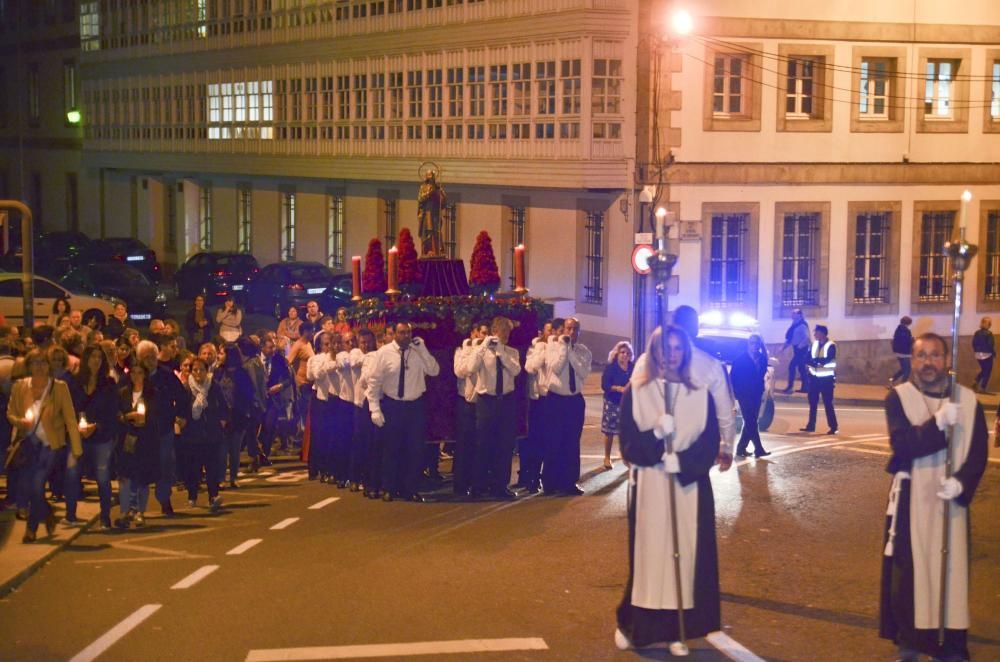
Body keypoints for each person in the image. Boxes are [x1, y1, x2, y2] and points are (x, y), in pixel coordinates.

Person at [880, 332, 988, 662]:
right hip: (914, 500)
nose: (928, 362)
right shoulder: (898, 398)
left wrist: (962, 482)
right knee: (912, 576)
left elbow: (979, 451)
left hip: (951, 503)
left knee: (951, 574)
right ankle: (912, 642)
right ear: (912, 361)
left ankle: (951, 645)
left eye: (935, 355)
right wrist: (939, 423)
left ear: (947, 360)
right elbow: (905, 446)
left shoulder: (968, 401)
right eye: (921, 356)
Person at [614, 325, 722, 654]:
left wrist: (685, 462)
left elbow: (709, 442)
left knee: (683, 558)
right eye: (666, 348)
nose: (672, 354)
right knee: (649, 559)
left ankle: (679, 631)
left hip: (687, 487)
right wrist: (657, 439)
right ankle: (635, 628)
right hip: (651, 485)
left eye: (678, 348)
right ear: (655, 351)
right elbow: (629, 443)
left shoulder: (699, 394)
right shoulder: (637, 391)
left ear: (685, 352)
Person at [7, 350, 82, 543]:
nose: (40, 367)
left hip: (51, 444)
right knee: (32, 487)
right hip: (29, 443)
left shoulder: (59, 387)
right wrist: (20, 422)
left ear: (49, 366)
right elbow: (10, 413)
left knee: (38, 483)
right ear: (29, 366)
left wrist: (76, 449)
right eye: (35, 363)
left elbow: (70, 420)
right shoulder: (20, 387)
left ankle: (30, 530)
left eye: (43, 362)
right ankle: (47, 512)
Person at [367, 322, 440, 502]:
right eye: (401, 333)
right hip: (393, 405)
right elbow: (374, 381)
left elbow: (434, 370)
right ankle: (389, 488)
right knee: (391, 449)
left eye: (408, 332)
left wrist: (422, 350)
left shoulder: (417, 351)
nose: (405, 336)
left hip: (414, 405)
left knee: (414, 449)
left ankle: (410, 489)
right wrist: (374, 408)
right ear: (395, 334)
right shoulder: (384, 353)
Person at [671, 306, 737, 468]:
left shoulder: (646, 362)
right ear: (695, 329)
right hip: (694, 453)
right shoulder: (711, 367)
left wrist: (630, 449)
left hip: (656, 453)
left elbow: (631, 404)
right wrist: (726, 448)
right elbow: (725, 413)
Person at [63, 346, 119, 530]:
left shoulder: (108, 384)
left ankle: (105, 517)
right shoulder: (74, 382)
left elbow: (112, 412)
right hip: (78, 436)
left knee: (103, 475)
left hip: (101, 436)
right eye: (92, 356)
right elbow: (67, 408)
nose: (96, 360)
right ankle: (70, 514)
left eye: (99, 357)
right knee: (72, 472)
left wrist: (97, 426)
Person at [467, 316, 521, 499]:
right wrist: (483, 347)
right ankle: (478, 486)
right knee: (483, 444)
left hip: (506, 401)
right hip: (486, 400)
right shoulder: (481, 352)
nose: (506, 335)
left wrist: (500, 352)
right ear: (494, 332)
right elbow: (470, 368)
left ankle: (500, 486)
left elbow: (515, 370)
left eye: (508, 332)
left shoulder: (511, 352)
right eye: (503, 332)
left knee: (504, 445)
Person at [139, 336, 190, 516]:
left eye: (152, 357)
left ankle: (164, 498)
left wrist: (181, 415)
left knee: (166, 464)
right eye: (145, 358)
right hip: (142, 429)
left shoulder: (166, 374)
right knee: (142, 465)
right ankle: (139, 505)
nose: (150, 361)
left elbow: (182, 396)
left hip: (163, 426)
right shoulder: (136, 377)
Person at [543, 317, 592, 496]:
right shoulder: (552, 347)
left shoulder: (583, 352)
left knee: (572, 443)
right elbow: (556, 367)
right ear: (563, 329)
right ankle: (550, 483)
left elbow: (582, 372)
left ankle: (569, 482)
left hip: (574, 401)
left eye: (576, 329)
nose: (572, 333)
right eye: (569, 329)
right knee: (553, 441)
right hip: (555, 399)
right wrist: (564, 348)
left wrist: (570, 351)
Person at [115, 361, 158, 529]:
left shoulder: (152, 393)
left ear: (145, 375)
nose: (136, 376)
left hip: (146, 439)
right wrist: (127, 417)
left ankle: (140, 511)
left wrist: (145, 419)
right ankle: (124, 512)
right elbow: (117, 413)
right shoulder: (123, 393)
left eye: (140, 372)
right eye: (133, 372)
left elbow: (156, 414)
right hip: (127, 439)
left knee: (142, 478)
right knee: (125, 476)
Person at [182, 357, 227, 511]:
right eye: (195, 370)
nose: (198, 373)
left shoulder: (213, 385)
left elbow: (223, 405)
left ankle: (213, 496)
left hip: (211, 432)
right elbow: (182, 408)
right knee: (193, 467)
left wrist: (222, 421)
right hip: (193, 433)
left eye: (201, 369)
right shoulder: (187, 387)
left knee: (211, 466)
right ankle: (192, 495)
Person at [452, 322, 487, 497]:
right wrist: (473, 351)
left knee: (480, 446)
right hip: (466, 402)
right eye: (481, 333)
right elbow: (461, 371)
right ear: (473, 333)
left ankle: (478, 484)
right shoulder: (462, 350)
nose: (483, 337)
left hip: (483, 402)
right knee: (464, 446)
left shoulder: (488, 350)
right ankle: (460, 485)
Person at [213, 343, 255, 489]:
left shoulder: (242, 373)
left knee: (235, 449)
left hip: (238, 415)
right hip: (222, 416)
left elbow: (249, 394)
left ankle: (234, 477)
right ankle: (221, 478)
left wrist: (245, 411)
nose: (219, 356)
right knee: (222, 449)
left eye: (222, 353)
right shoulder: (218, 372)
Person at [518, 320, 551, 494]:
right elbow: (531, 368)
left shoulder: (558, 350)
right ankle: (530, 477)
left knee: (548, 441)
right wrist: (543, 350)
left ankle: (546, 477)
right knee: (533, 441)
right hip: (535, 400)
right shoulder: (535, 349)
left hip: (550, 399)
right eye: (548, 330)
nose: (551, 334)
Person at [731, 334, 771, 458]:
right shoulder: (740, 360)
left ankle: (740, 448)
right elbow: (733, 378)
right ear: (748, 344)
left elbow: (762, 374)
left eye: (757, 343)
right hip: (744, 394)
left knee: (751, 421)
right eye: (752, 343)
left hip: (756, 393)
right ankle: (758, 448)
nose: (755, 346)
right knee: (750, 421)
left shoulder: (762, 358)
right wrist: (736, 393)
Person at [601, 340, 634, 471]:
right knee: (610, 431)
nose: (624, 355)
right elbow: (604, 385)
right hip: (612, 402)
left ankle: (627, 458)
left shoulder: (633, 367)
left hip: (627, 403)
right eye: (622, 352)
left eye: (627, 353)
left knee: (626, 431)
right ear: (617, 354)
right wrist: (617, 388)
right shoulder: (611, 368)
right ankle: (607, 457)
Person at [800, 324, 838, 435]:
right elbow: (806, 359)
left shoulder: (831, 345)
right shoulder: (814, 344)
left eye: (816, 332)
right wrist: (815, 362)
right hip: (814, 378)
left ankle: (833, 426)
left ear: (822, 333)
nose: (814, 334)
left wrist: (815, 361)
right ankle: (811, 425)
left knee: (828, 404)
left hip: (827, 380)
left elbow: (827, 359)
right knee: (812, 403)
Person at [780, 308, 811, 393]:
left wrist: (799, 346)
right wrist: (783, 347)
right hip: (797, 349)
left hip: (802, 350)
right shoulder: (794, 324)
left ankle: (790, 387)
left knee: (792, 366)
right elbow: (790, 338)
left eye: (794, 313)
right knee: (801, 368)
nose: (792, 315)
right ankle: (806, 387)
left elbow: (806, 338)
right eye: (792, 313)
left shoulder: (802, 325)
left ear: (799, 315)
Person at [417, 169, 446, 257]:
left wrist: (441, 195)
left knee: (436, 232)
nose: (431, 178)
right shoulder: (423, 188)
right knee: (427, 233)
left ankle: (437, 250)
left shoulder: (438, 188)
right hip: (427, 213)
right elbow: (420, 199)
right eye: (429, 176)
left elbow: (443, 203)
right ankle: (427, 250)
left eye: (432, 176)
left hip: (435, 213)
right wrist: (429, 193)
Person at [971, 316, 994, 393]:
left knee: (984, 370)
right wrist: (994, 353)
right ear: (988, 324)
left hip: (978, 354)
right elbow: (990, 345)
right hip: (987, 354)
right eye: (990, 323)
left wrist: (976, 351)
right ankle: (982, 387)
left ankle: (976, 381)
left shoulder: (977, 333)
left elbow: (973, 343)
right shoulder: (989, 334)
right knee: (988, 370)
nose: (990, 324)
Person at [890, 316, 914, 388]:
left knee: (903, 370)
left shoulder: (898, 329)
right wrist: (912, 340)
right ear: (908, 323)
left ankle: (891, 380)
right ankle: (902, 387)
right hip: (904, 354)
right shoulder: (905, 331)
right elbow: (906, 342)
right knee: (907, 371)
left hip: (899, 353)